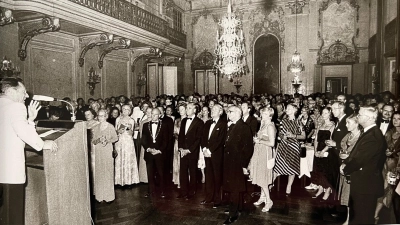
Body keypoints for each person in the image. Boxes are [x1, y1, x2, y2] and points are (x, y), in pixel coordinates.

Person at [0, 78, 58, 224]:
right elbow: (22, 132)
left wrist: (31, 119)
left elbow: (14, 130)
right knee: (12, 217)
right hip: (10, 173)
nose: (26, 96)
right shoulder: (16, 107)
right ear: (12, 91)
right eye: (24, 92)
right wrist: (44, 144)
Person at [341, 106, 386, 224]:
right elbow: (356, 152)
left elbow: (359, 160)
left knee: (363, 218)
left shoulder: (373, 136)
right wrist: (345, 162)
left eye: (360, 115)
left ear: (369, 118)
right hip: (361, 182)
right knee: (357, 217)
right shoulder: (368, 132)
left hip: (366, 185)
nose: (357, 116)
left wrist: (345, 169)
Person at [222, 106, 254, 225]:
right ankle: (238, 207)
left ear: (237, 113)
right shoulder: (231, 125)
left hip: (237, 163)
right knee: (233, 186)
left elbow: (248, 148)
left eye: (230, 111)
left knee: (234, 188)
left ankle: (233, 214)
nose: (228, 113)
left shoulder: (244, 127)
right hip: (229, 161)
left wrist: (243, 164)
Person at [273, 103, 305, 196]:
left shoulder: (299, 122)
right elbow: (280, 134)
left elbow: (303, 136)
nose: (287, 110)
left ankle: (289, 186)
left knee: (292, 167)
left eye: (289, 108)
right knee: (277, 166)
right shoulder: (283, 121)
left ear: (295, 110)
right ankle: (270, 183)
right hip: (283, 146)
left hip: (294, 146)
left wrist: (293, 135)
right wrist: (283, 137)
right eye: (286, 108)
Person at [374, 111, 400, 223]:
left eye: (399, 118)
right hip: (386, 164)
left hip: (397, 165)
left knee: (394, 193)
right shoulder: (389, 132)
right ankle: (376, 215)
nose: (395, 120)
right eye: (394, 118)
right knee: (383, 189)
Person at [249, 107, 276, 212]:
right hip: (259, 151)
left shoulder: (270, 126)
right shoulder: (263, 124)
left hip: (265, 153)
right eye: (262, 113)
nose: (262, 115)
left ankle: (269, 201)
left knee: (263, 178)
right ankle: (262, 197)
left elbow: (272, 143)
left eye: (264, 114)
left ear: (270, 115)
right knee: (261, 176)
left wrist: (259, 141)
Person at [200, 104, 227, 208]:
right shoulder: (207, 123)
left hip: (216, 154)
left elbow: (221, 140)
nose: (212, 110)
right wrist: (204, 149)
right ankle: (208, 197)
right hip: (207, 153)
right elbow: (203, 138)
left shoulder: (223, 124)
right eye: (212, 109)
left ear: (220, 112)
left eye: (215, 109)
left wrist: (210, 150)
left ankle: (217, 200)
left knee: (217, 177)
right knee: (209, 176)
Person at [337, 114, 362, 225]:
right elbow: (342, 150)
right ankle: (348, 219)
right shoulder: (348, 135)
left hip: (354, 171)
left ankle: (351, 220)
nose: (346, 125)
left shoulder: (361, 137)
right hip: (345, 168)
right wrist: (341, 155)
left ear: (357, 123)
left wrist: (347, 157)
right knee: (347, 195)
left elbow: (360, 156)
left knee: (352, 196)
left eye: (349, 123)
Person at [91, 109, 118, 202]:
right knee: (100, 172)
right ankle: (100, 196)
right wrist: (98, 139)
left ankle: (109, 196)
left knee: (108, 171)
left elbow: (115, 138)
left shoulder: (110, 126)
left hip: (107, 150)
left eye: (102, 116)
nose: (100, 118)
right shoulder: (95, 127)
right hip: (99, 151)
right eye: (99, 116)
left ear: (106, 116)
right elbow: (93, 141)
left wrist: (107, 141)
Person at [177, 103, 204, 200]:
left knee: (192, 172)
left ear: (195, 110)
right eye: (186, 108)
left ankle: (192, 192)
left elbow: (198, 139)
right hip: (183, 151)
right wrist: (180, 148)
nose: (186, 109)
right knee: (183, 171)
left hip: (192, 151)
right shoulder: (184, 120)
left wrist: (189, 150)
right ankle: (183, 191)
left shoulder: (199, 122)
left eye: (189, 108)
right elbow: (180, 136)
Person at [141, 108, 169, 198]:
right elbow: (143, 140)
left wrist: (158, 150)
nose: (153, 116)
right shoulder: (145, 125)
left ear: (159, 115)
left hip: (159, 153)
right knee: (150, 173)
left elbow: (166, 141)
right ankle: (150, 191)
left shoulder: (164, 125)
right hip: (149, 153)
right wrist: (148, 148)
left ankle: (162, 191)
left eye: (155, 114)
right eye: (152, 114)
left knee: (161, 173)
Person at [310, 107, 335, 200]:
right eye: (322, 113)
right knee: (319, 170)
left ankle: (327, 190)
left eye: (326, 113)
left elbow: (331, 140)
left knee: (326, 171)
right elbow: (316, 139)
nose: (323, 115)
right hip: (318, 150)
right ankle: (320, 189)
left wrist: (323, 151)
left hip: (327, 151)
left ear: (330, 114)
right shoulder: (321, 125)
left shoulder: (333, 126)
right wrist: (315, 150)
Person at [115, 105, 139, 186]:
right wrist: (120, 130)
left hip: (128, 141)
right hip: (120, 141)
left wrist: (129, 128)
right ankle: (119, 181)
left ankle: (129, 181)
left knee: (128, 159)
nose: (125, 111)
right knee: (120, 158)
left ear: (130, 111)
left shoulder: (131, 120)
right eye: (124, 109)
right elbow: (116, 132)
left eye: (127, 109)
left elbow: (131, 133)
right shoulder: (118, 119)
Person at [172, 103, 187, 187]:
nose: (181, 111)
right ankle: (178, 180)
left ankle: (185, 181)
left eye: (182, 109)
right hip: (177, 143)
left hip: (186, 144)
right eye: (179, 109)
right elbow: (174, 132)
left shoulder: (189, 119)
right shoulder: (177, 120)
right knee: (177, 161)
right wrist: (178, 138)